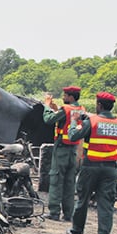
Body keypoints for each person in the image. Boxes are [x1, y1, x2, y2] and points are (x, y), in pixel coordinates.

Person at [66, 91, 117, 234]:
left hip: (91, 166)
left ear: (99, 105)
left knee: (82, 201)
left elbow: (73, 136)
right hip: (110, 168)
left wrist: (74, 122)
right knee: (106, 204)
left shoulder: (92, 121)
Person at [42, 86, 85, 221]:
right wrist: (56, 109)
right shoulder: (81, 109)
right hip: (74, 150)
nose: (63, 97)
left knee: (56, 179)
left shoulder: (66, 109)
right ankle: (68, 214)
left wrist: (47, 106)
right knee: (69, 181)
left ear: (71, 97)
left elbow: (48, 119)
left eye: (65, 95)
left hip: (61, 149)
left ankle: (54, 212)